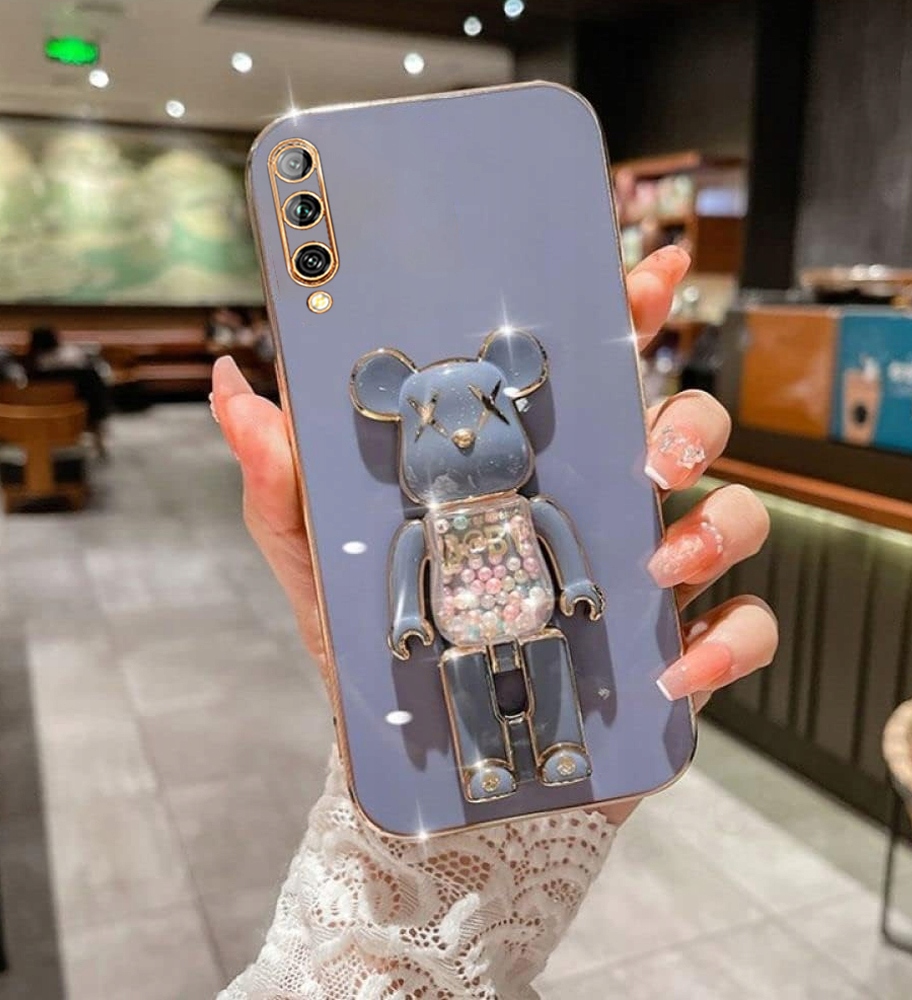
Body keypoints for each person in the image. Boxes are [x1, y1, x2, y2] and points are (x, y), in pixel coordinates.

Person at [210, 246, 777, 999]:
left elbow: (560, 539)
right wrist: (406, 618)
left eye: (484, 416)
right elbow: (407, 571)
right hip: (460, 630)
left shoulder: (523, 507)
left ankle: (563, 743)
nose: (463, 437)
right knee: (465, 684)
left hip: (534, 616)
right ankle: (483, 762)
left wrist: (581, 582)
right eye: (433, 426)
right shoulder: (427, 525)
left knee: (549, 666)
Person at [25, 326, 112, 453]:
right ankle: (99, 444)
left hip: (43, 412)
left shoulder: (32, 367)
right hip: (84, 410)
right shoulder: (76, 359)